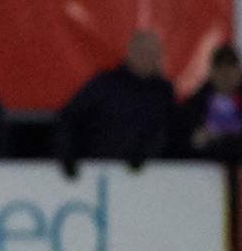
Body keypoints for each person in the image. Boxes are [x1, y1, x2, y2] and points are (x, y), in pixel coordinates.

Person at [52, 30, 176, 177]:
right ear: (131, 53)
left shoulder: (163, 92)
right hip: (95, 170)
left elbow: (167, 130)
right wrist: (67, 155)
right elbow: (70, 118)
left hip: (144, 176)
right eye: (144, 53)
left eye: (154, 55)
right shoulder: (104, 84)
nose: (149, 59)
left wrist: (146, 154)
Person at [174, 45, 242, 165]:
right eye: (220, 69)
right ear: (212, 72)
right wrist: (194, 142)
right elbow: (177, 145)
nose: (225, 75)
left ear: (239, 71)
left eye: (230, 68)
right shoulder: (194, 106)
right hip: (207, 173)